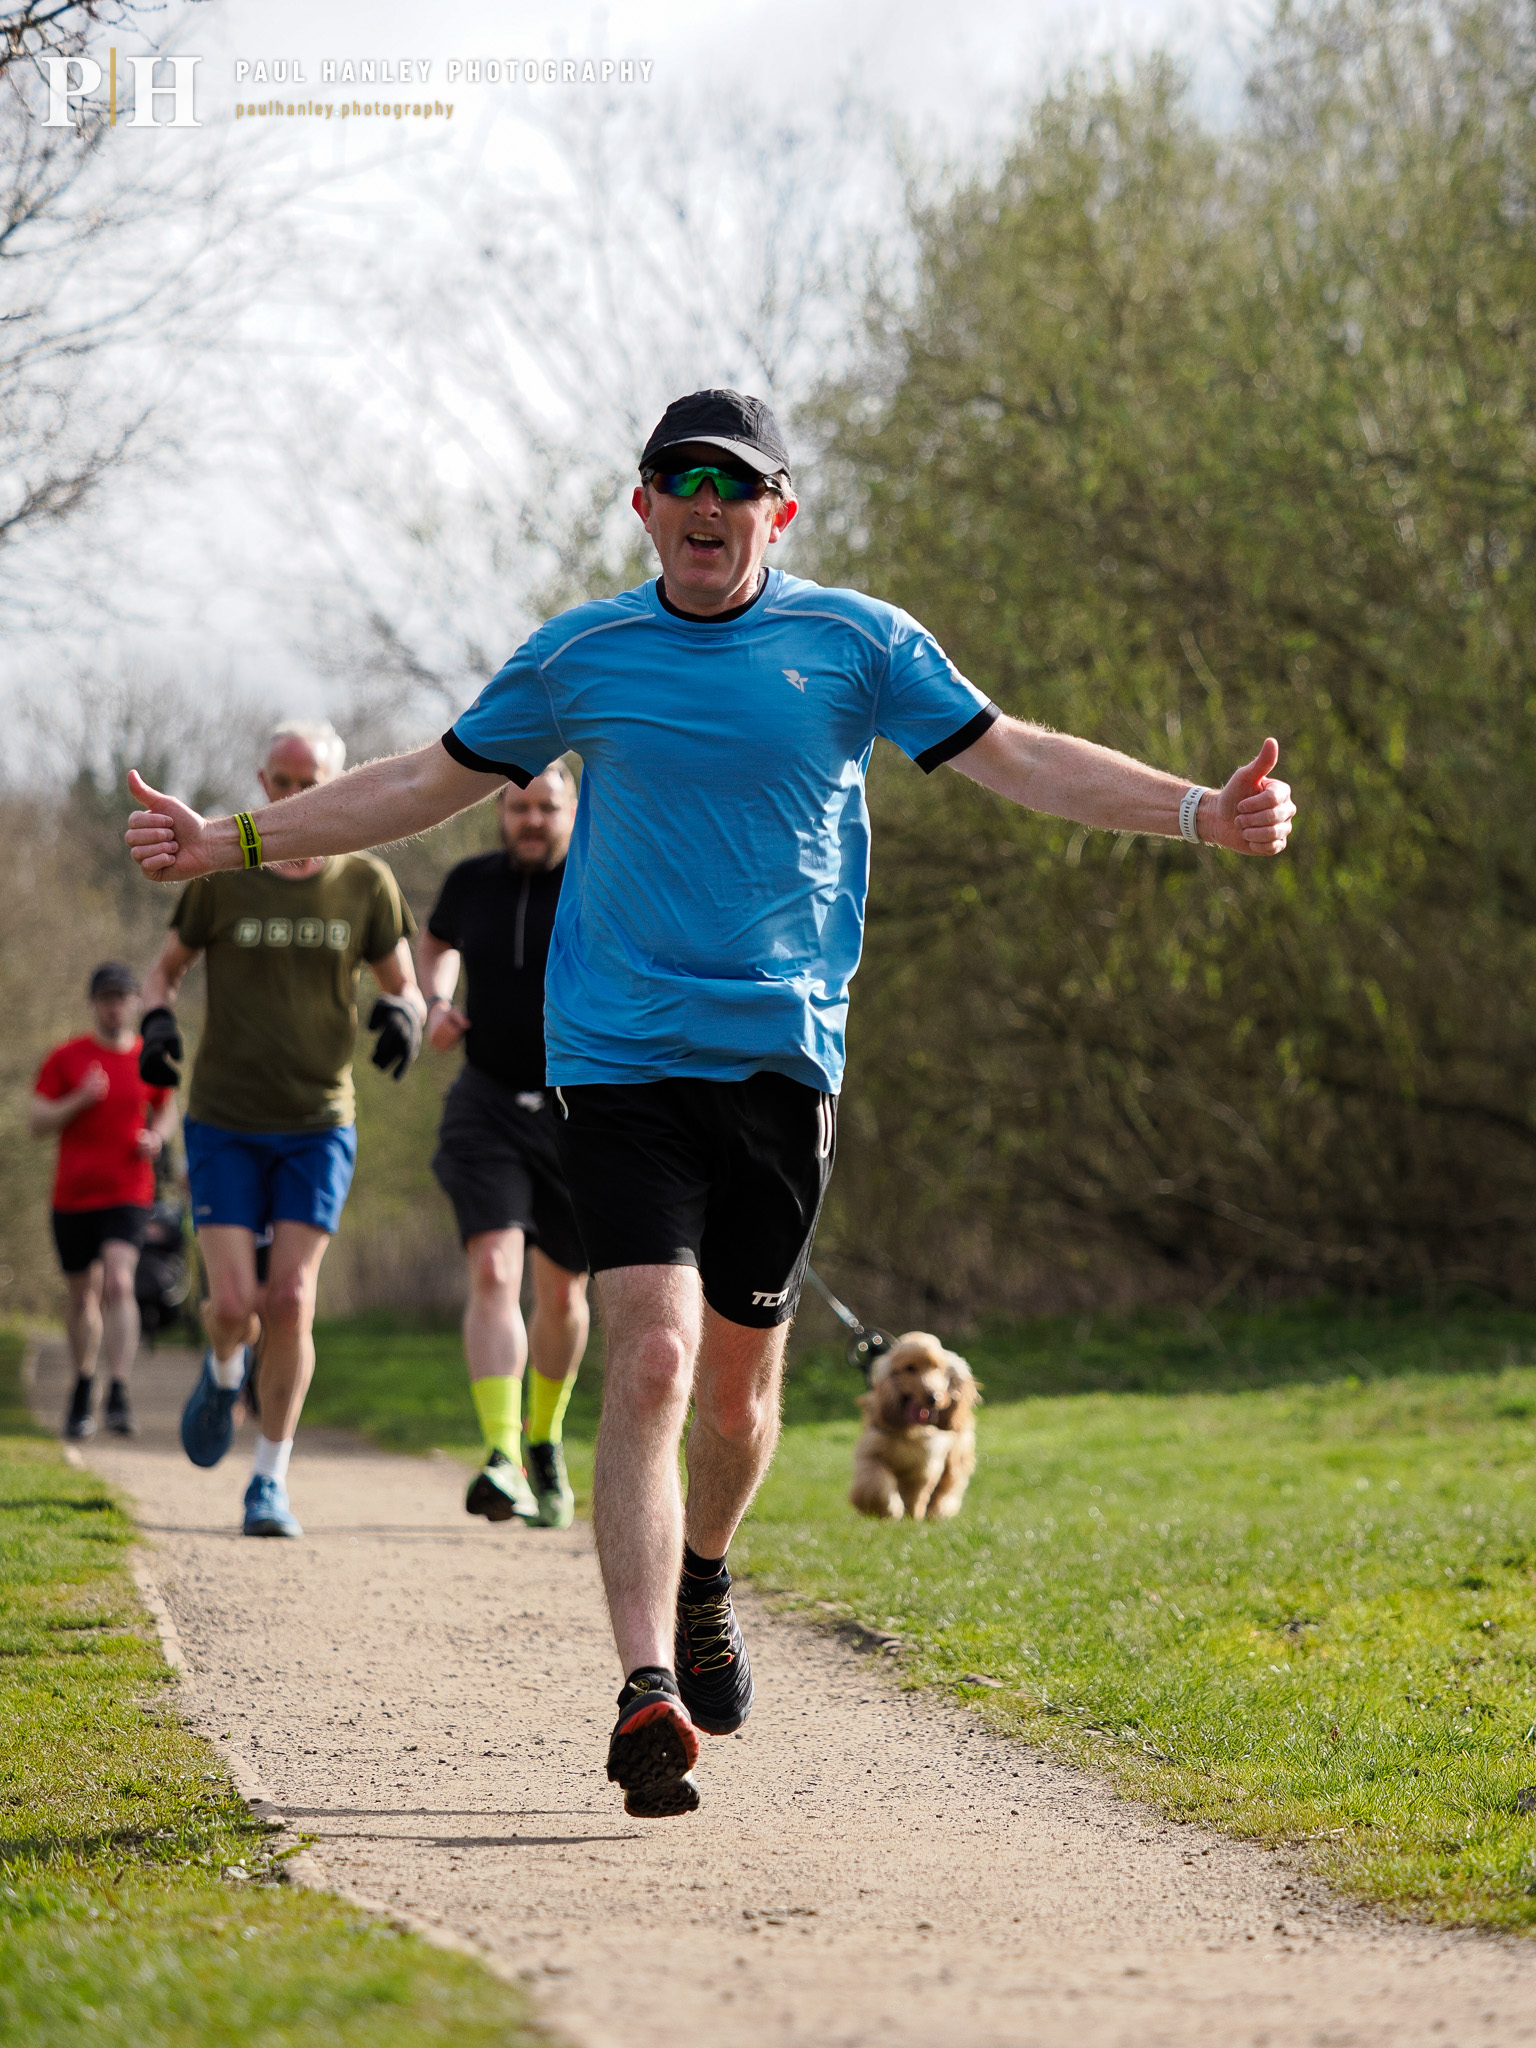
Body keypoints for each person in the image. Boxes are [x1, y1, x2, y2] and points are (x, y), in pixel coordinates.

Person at [125, 388, 1297, 1816]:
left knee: (741, 1399)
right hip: (616, 1056)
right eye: (676, 477)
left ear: (775, 512)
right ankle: (644, 1692)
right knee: (657, 1363)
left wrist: (1199, 810)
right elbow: (421, 785)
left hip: (784, 1064)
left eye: (731, 484)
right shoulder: (584, 653)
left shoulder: (856, 643)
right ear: (644, 507)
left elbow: (1018, 758)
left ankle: (704, 1580)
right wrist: (231, 838)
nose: (702, 500)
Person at [135, 720, 426, 1539]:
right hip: (225, 1118)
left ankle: (269, 1480)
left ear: (341, 783)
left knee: (291, 1297)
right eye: (284, 783)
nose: (298, 798)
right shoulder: (222, 878)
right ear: (263, 782)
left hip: (318, 1121)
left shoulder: (367, 882)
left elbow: (404, 985)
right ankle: (225, 1367)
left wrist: (402, 1016)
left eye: (315, 784)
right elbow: (162, 975)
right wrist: (157, 1028)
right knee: (234, 1302)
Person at [420, 763, 590, 1530]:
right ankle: (500, 1455)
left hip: (581, 1111)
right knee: (494, 1268)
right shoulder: (470, 881)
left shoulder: (604, 877)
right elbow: (437, 943)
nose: (531, 820)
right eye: (518, 806)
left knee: (562, 1294)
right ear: (499, 810)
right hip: (486, 1098)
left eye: (546, 807)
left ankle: (543, 1437)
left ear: (573, 809)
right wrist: (435, 1002)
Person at [29, 962, 179, 1439]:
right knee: (82, 1295)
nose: (114, 1006)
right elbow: (35, 1121)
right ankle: (82, 1385)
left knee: (118, 1282)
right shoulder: (66, 1058)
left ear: (136, 1003)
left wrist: (157, 1138)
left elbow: (168, 1108)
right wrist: (80, 1099)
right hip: (72, 1196)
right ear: (93, 1003)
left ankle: (117, 1390)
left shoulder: (149, 1057)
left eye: (123, 997)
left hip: (128, 1192)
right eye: (106, 997)